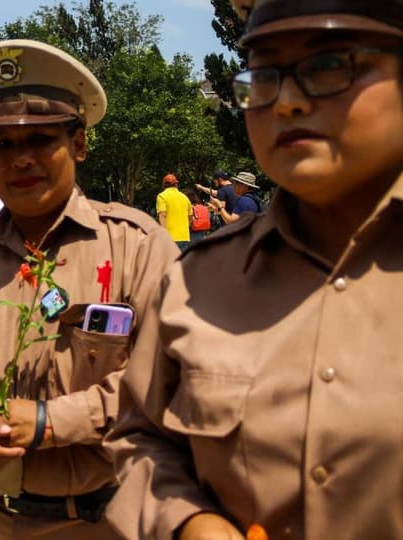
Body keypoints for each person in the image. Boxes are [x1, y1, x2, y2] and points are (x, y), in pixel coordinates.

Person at [105, 1, 403, 538]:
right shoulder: (194, 283)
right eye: (263, 76)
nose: (286, 101)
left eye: (328, 65)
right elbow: (140, 438)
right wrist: (187, 521)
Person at [0, 39, 179, 540]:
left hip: (110, 522)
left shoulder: (137, 247)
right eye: (2, 145)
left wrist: (53, 421)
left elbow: (171, 379)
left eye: (39, 139)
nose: (20, 160)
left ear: (79, 144)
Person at [156, 173, 193, 251]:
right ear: (176, 184)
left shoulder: (162, 196)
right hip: (184, 237)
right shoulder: (184, 197)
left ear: (164, 185)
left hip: (170, 238)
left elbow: (162, 216)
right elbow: (190, 217)